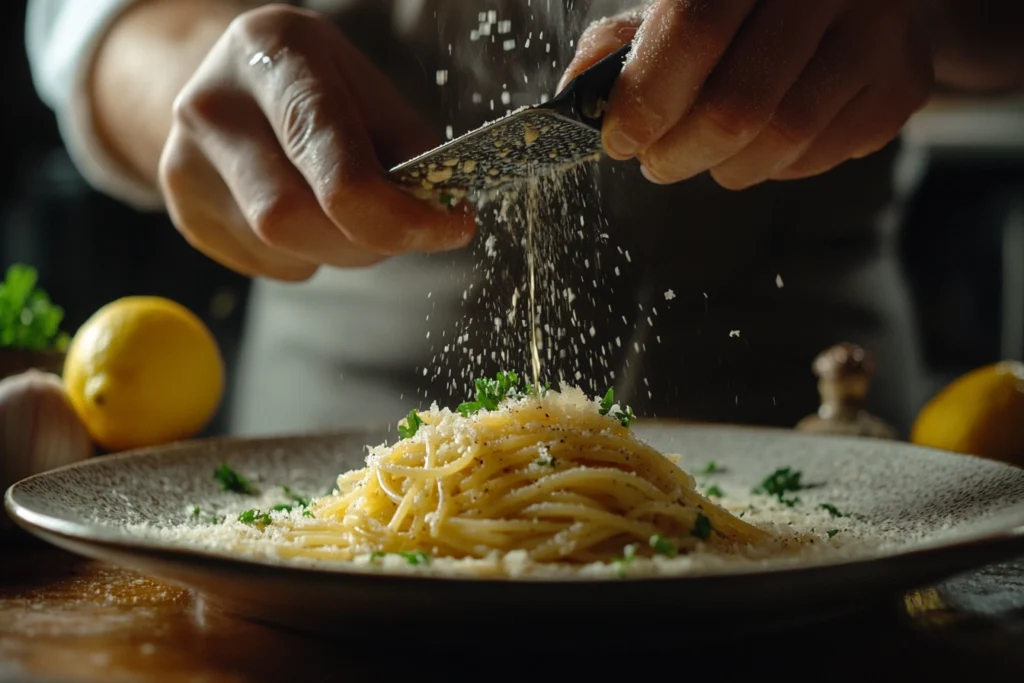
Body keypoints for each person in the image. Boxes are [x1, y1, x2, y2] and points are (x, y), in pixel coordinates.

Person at [25, 0, 1024, 439]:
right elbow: (91, 20)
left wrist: (922, 12)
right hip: (337, 470)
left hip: (833, 476)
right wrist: (194, 71)